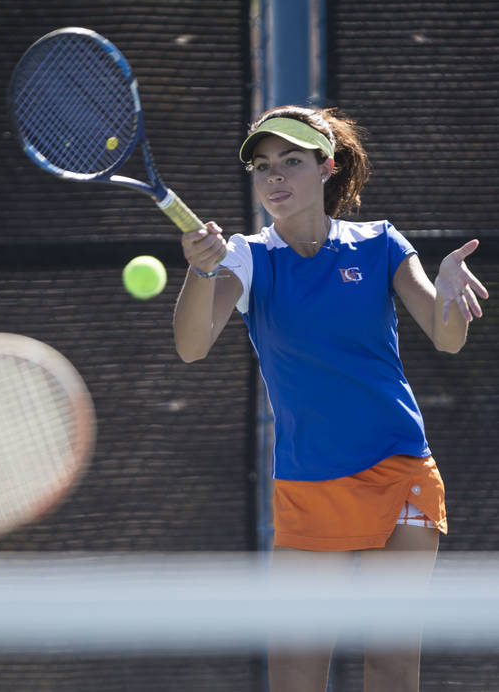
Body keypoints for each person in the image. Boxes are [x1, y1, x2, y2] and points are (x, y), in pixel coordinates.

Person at [173, 104, 488, 692]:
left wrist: (448, 292)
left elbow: (446, 338)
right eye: (263, 166)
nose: (275, 177)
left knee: (391, 665)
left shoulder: (380, 245)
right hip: (308, 482)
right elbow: (191, 347)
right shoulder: (246, 257)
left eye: (291, 161)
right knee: (295, 670)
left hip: (400, 472)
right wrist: (200, 271)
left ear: (327, 167)